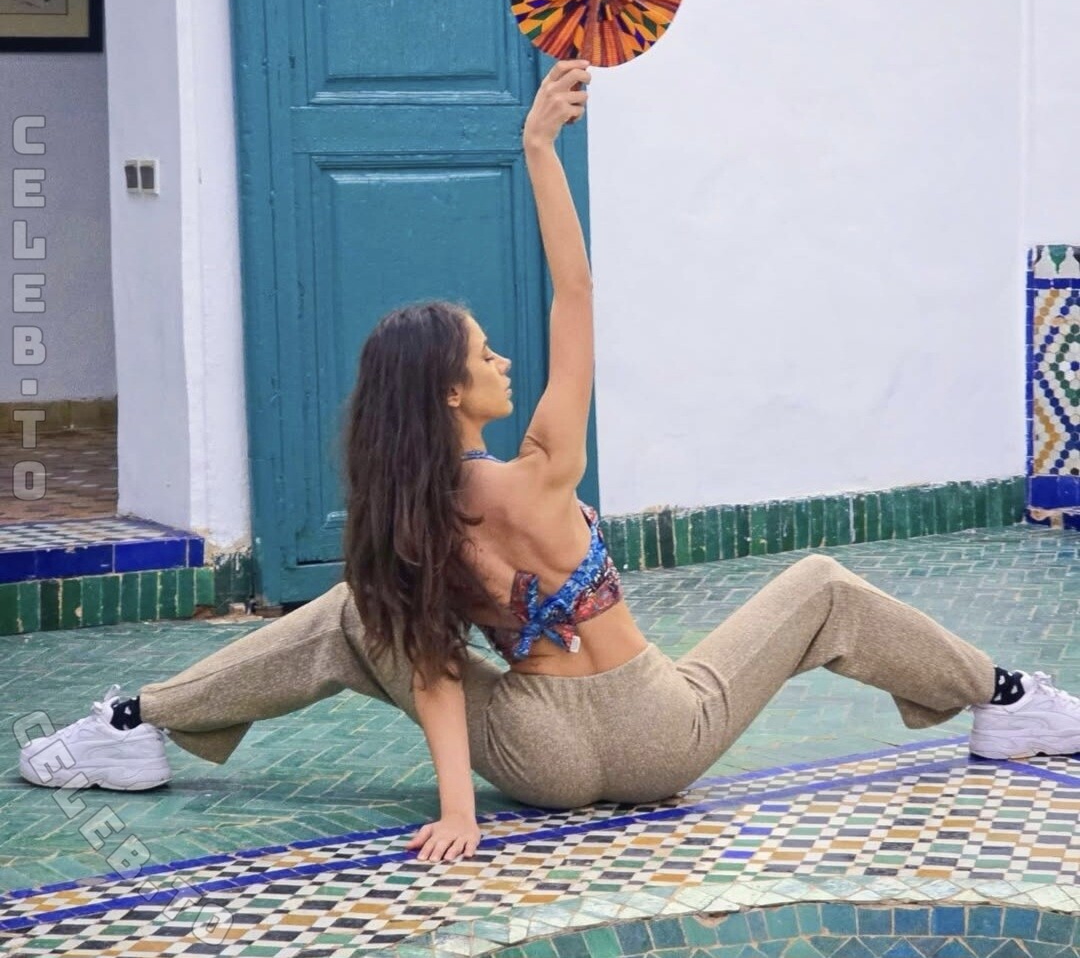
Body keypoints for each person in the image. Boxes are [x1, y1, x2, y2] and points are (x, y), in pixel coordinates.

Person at [18, 61, 1080, 865]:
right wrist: (539, 147)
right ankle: (1007, 697)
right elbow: (575, 292)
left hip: (540, 760)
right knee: (822, 587)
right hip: (665, 732)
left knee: (355, 612)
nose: (504, 361)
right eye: (486, 355)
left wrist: (463, 811)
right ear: (450, 392)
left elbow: (434, 672)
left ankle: (134, 723)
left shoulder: (411, 527)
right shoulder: (544, 465)